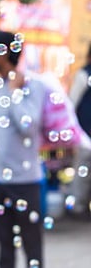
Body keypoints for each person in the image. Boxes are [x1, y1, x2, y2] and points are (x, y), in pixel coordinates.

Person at [0, 30, 46, 268]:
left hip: (26, 181)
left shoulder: (32, 86)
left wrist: (14, 92)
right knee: (5, 248)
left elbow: (28, 127)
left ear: (4, 52)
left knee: (32, 249)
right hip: (0, 180)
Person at [68, 42, 91, 218]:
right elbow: (71, 104)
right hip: (86, 134)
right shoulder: (84, 74)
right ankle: (79, 208)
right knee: (83, 172)